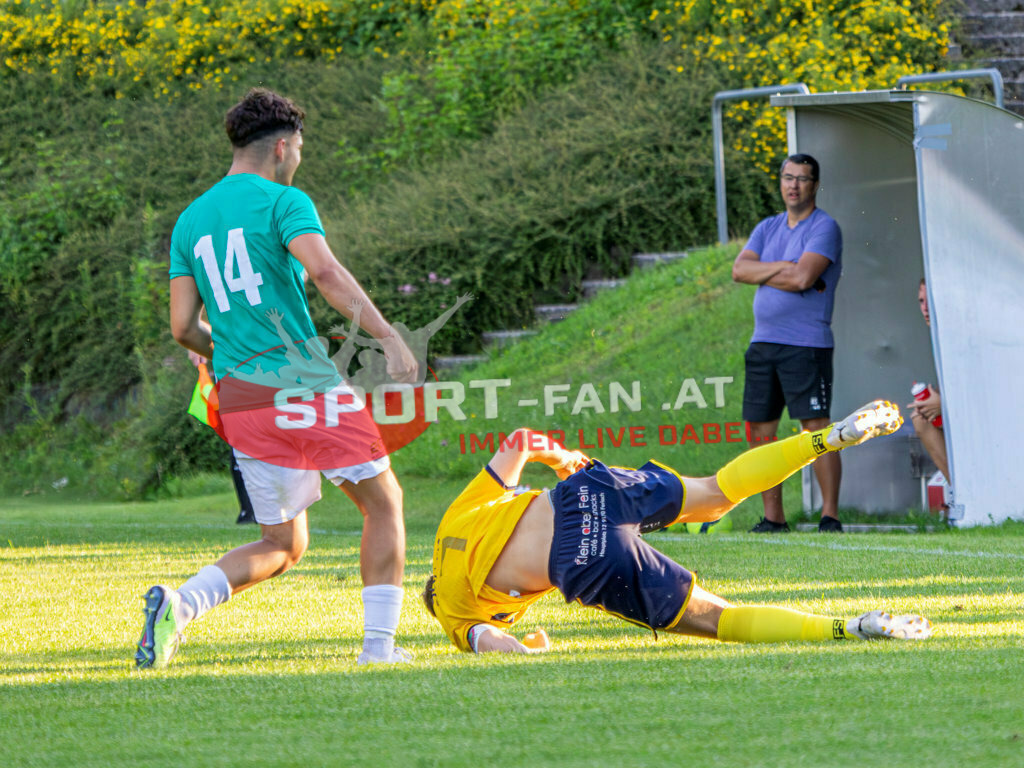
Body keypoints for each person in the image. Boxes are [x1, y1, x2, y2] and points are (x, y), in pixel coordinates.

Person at [137, 87, 419, 669]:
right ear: (284, 147)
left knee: (282, 543)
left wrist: (222, 351)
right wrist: (388, 336)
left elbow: (183, 329)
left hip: (243, 397)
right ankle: (378, 650)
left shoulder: (190, 221)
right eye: (300, 151)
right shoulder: (283, 202)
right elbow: (325, 271)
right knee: (384, 504)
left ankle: (180, 606)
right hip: (305, 384)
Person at [422, 401, 931, 654]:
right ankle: (827, 439)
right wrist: (565, 460)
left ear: (434, 599)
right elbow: (519, 440)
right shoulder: (453, 523)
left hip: (586, 557)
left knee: (718, 619)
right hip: (585, 491)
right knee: (714, 493)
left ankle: (850, 628)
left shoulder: (455, 616)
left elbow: (491, 639)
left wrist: (526, 649)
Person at [732, 153, 844, 533]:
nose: (793, 185)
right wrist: (784, 266)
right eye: (788, 177)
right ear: (780, 182)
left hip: (806, 344)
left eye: (802, 179)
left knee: (815, 428)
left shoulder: (824, 227)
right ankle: (774, 519)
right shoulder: (767, 227)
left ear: (815, 185)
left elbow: (803, 279)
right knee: (760, 432)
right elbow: (739, 270)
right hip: (763, 343)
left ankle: (830, 516)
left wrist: (767, 272)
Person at [907, 279, 949, 484]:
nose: (925, 308)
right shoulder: (938, 338)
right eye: (920, 301)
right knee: (919, 416)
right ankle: (960, 491)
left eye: (929, 299)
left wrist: (943, 404)